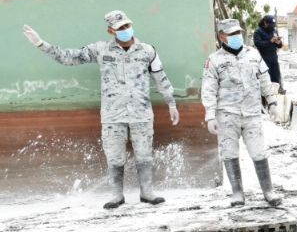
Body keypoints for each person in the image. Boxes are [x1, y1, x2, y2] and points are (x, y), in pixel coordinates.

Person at [22, 12, 179, 209]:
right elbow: (70, 57)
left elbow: (160, 77)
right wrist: (41, 44)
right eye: (120, 28)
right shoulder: (100, 50)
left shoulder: (147, 51)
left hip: (141, 113)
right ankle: (116, 195)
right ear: (111, 30)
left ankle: (147, 192)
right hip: (113, 114)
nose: (125, 30)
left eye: (127, 25)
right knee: (114, 156)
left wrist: (171, 103)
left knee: (144, 154)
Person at [202, 18, 284, 207]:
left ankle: (268, 191)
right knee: (229, 152)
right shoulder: (214, 60)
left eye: (238, 33)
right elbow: (208, 89)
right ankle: (237, 192)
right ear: (222, 36)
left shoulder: (253, 55)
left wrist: (272, 103)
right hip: (227, 114)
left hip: (252, 112)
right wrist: (210, 115)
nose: (237, 36)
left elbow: (264, 80)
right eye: (232, 34)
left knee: (259, 151)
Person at [254, 15, 284, 91]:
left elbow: (280, 46)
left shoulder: (274, 31)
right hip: (264, 59)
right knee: (267, 79)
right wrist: (270, 41)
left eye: (273, 25)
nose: (272, 27)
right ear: (265, 23)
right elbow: (258, 44)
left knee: (276, 77)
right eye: (270, 25)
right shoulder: (258, 32)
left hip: (274, 58)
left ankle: (278, 92)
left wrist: (279, 42)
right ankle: (267, 97)